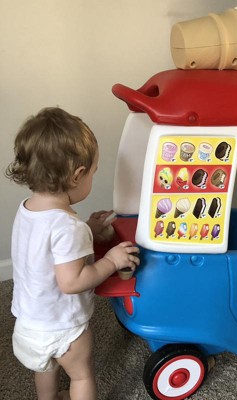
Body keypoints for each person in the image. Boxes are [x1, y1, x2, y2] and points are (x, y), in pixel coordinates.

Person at [5, 107, 140, 400]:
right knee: (81, 375)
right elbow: (73, 281)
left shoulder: (27, 210)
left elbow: (48, 249)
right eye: (93, 172)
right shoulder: (68, 226)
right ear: (78, 175)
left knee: (45, 368)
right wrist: (110, 261)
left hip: (28, 325)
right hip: (63, 329)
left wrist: (88, 229)